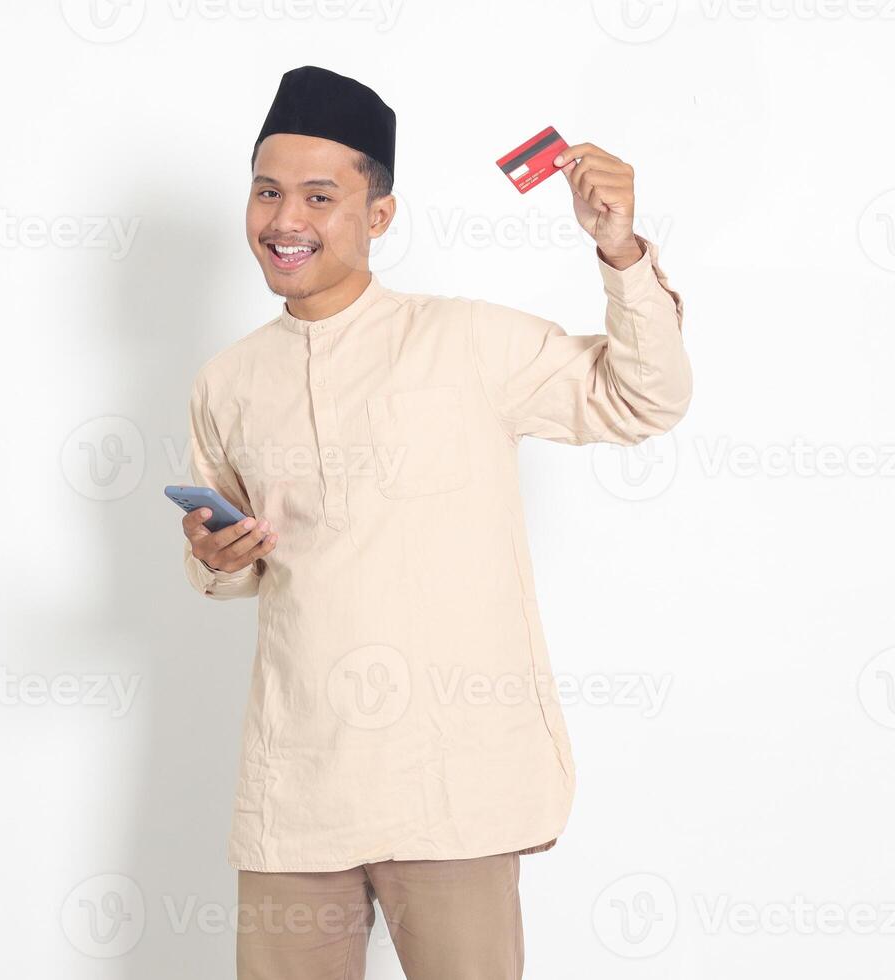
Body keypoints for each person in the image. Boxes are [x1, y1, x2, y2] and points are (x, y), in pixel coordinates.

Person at [179, 64, 692, 980]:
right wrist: (217, 554)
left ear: (378, 216)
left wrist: (619, 252)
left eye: (319, 195)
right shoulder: (227, 381)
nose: (284, 219)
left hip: (450, 788)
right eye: (266, 192)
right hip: (296, 792)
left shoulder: (468, 341)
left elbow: (641, 399)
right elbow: (232, 568)